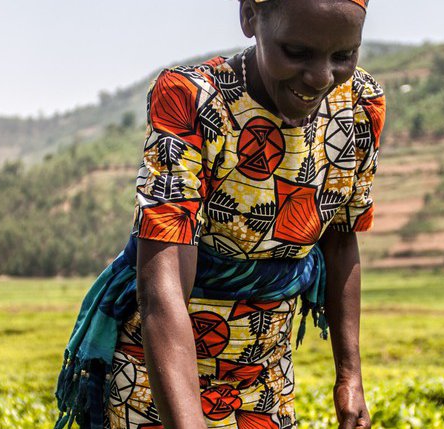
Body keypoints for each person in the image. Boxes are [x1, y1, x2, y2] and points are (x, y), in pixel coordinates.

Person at [55, 0, 384, 427]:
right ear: (250, 16)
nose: (321, 77)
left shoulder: (358, 106)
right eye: (297, 52)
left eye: (343, 56)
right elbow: (164, 281)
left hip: (264, 377)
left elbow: (340, 237)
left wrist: (350, 376)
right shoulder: (192, 100)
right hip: (157, 382)